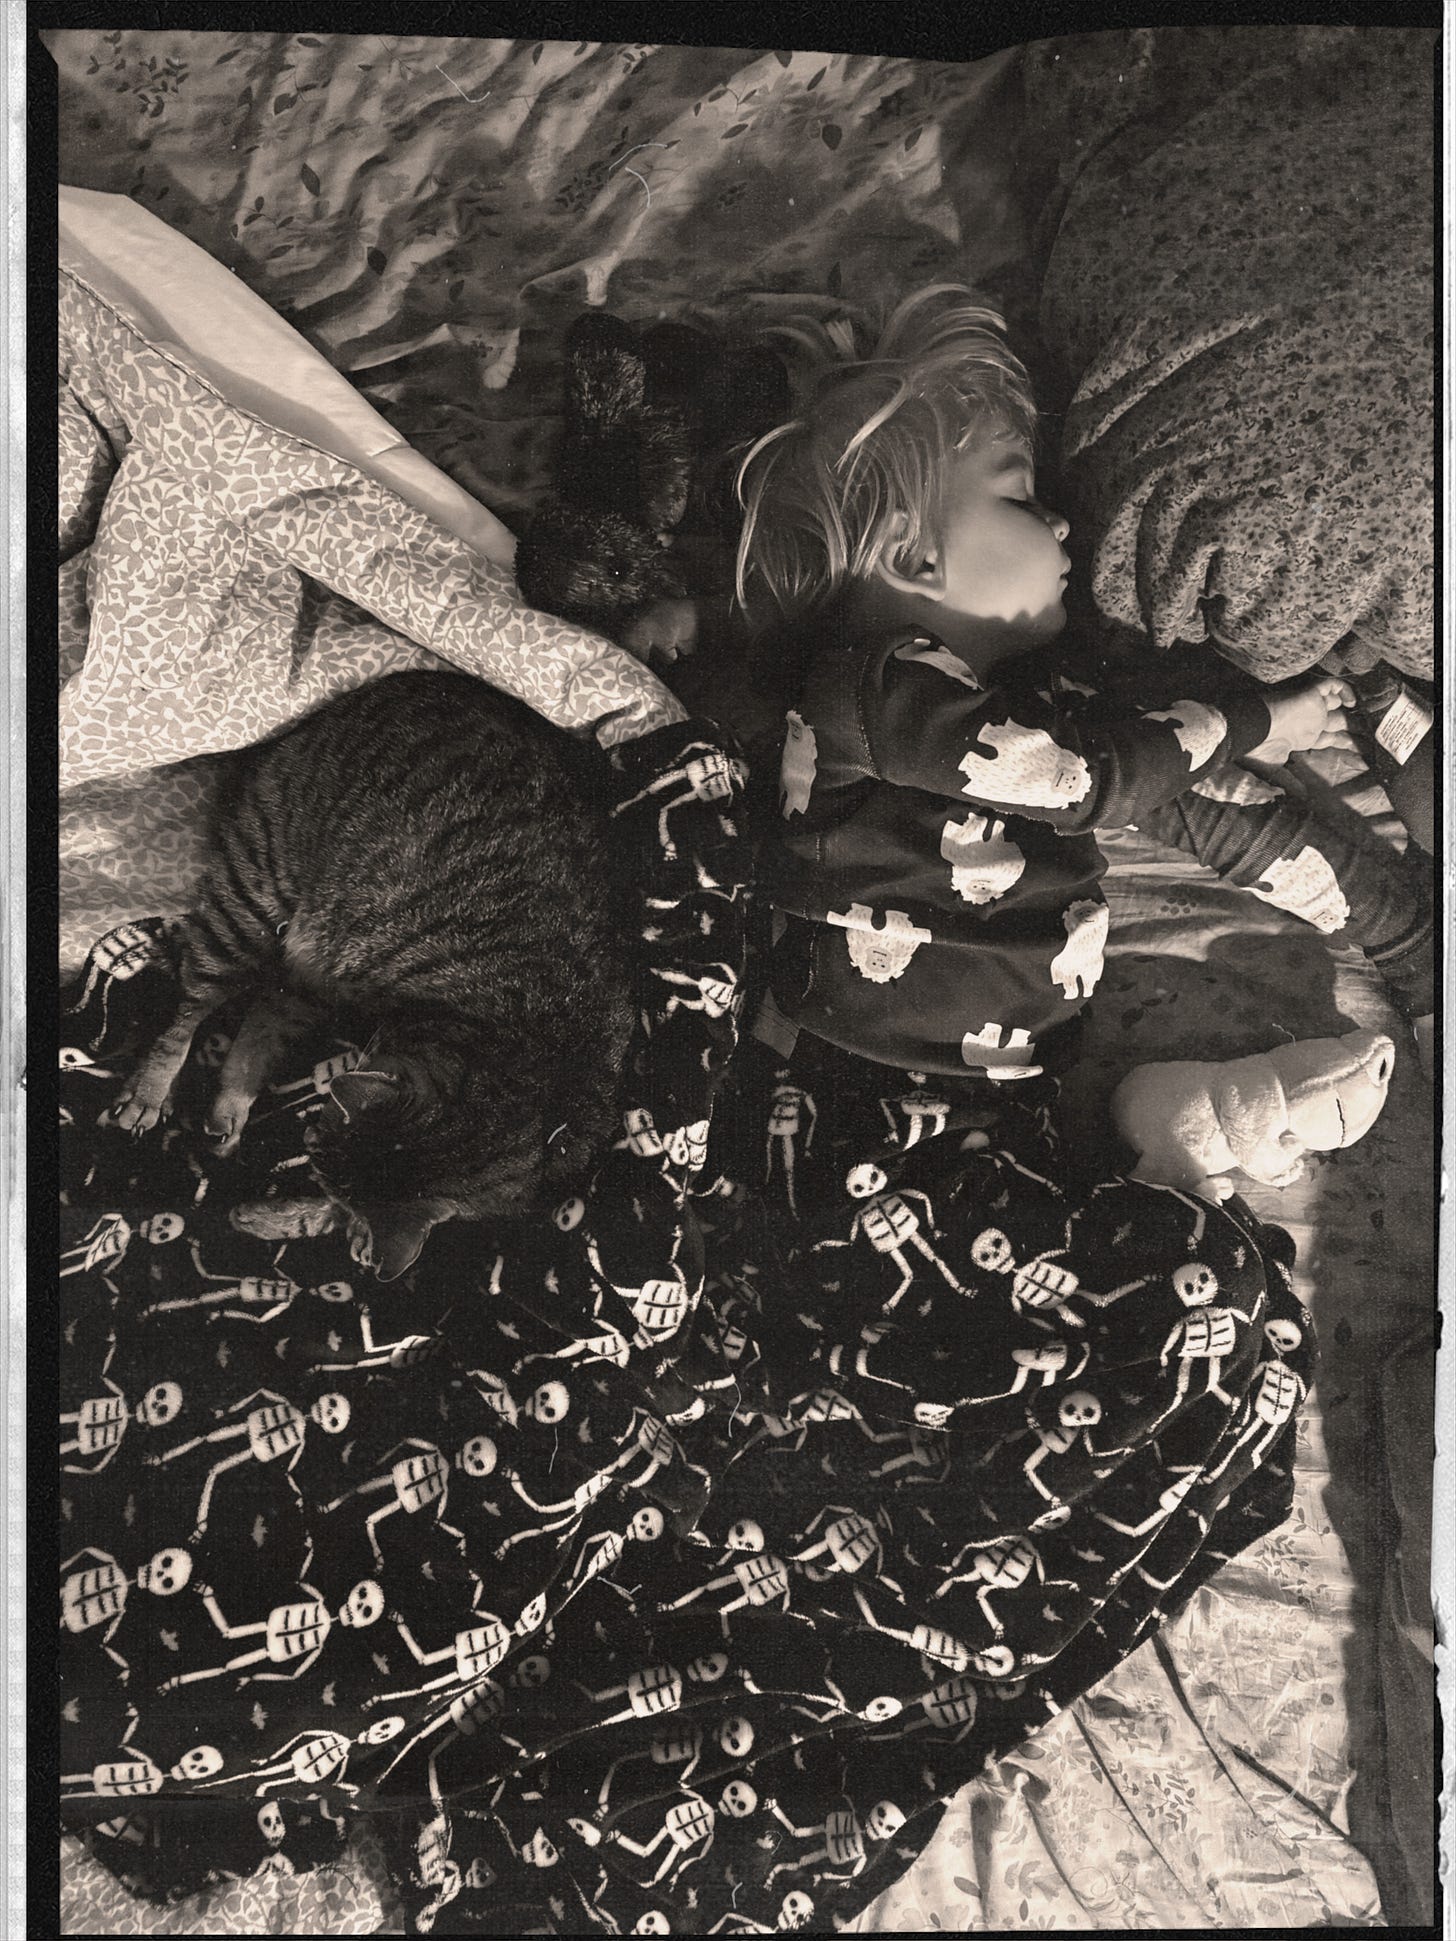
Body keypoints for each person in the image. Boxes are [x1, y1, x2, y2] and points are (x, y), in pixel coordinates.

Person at [725, 285, 1432, 1114]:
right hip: (842, 1079)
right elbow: (1097, 780)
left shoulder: (1031, 698)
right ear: (914, 557)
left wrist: (1405, 947)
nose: (1061, 524)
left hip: (1006, 1095)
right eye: (1021, 499)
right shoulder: (872, 693)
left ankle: (1411, 957)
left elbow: (1194, 799)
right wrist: (1254, 721)